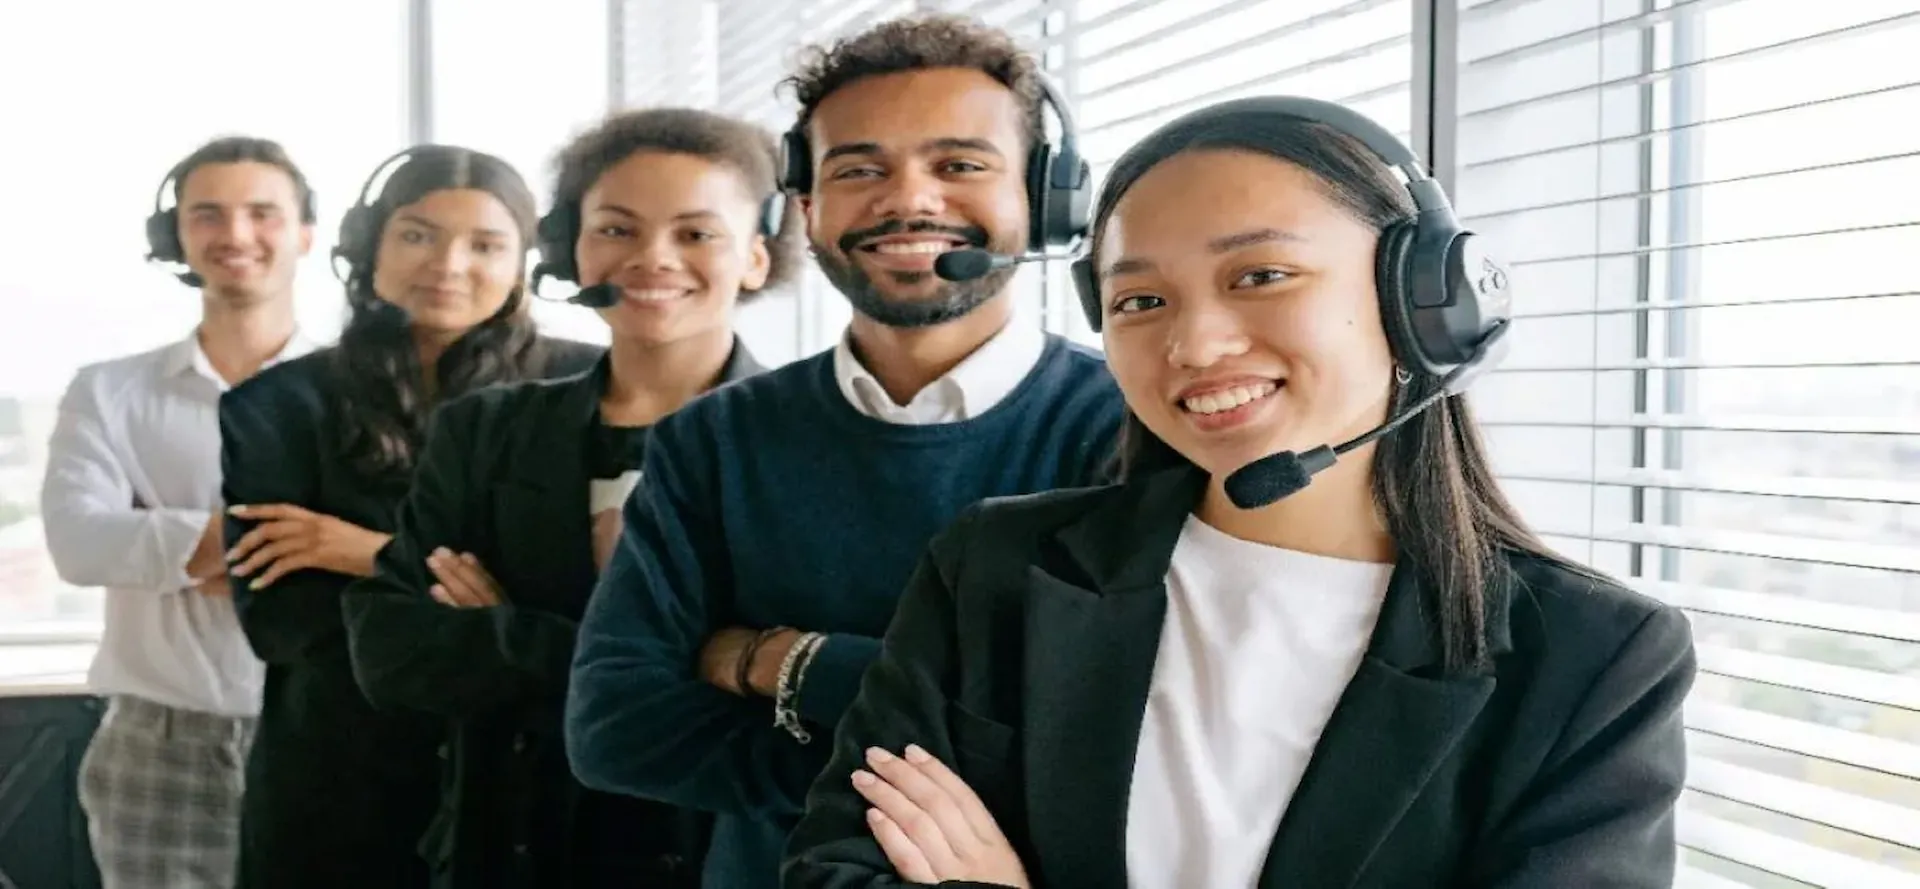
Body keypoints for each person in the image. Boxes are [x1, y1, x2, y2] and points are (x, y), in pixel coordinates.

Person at [781, 97, 1697, 889]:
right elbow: (837, 866)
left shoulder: (1591, 660)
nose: (1195, 344)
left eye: (1260, 276)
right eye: (1141, 301)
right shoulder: (999, 567)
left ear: (1426, 300)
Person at [565, 14, 1125, 889]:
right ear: (806, 205)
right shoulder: (712, 440)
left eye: (960, 165)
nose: (909, 200)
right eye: (859, 168)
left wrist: (776, 662)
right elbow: (616, 729)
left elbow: (1106, 741)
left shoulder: (1132, 432)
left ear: (1045, 197)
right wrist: (946, 766)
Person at [338, 107, 801, 889]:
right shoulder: (484, 431)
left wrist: (506, 632)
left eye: (696, 233)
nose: (652, 257)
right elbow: (392, 651)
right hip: (510, 845)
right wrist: (687, 660)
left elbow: (808, 687)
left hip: (722, 857)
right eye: (617, 229)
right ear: (569, 248)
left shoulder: (806, 443)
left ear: (756, 257)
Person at [218, 144, 602, 888]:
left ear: (525, 257)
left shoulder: (588, 385)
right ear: (370, 245)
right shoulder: (275, 406)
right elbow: (284, 619)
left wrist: (365, 552)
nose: (449, 263)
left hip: (532, 776)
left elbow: (591, 610)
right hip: (338, 782)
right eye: (418, 234)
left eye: (485, 243)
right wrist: (491, 604)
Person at [39, 135, 316, 889]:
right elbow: (79, 544)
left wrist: (168, 547)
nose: (235, 234)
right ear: (177, 237)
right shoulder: (109, 390)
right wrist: (272, 544)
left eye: (262, 212)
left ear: (304, 235)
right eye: (208, 214)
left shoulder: (357, 389)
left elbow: (388, 549)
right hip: (158, 737)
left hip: (330, 733)